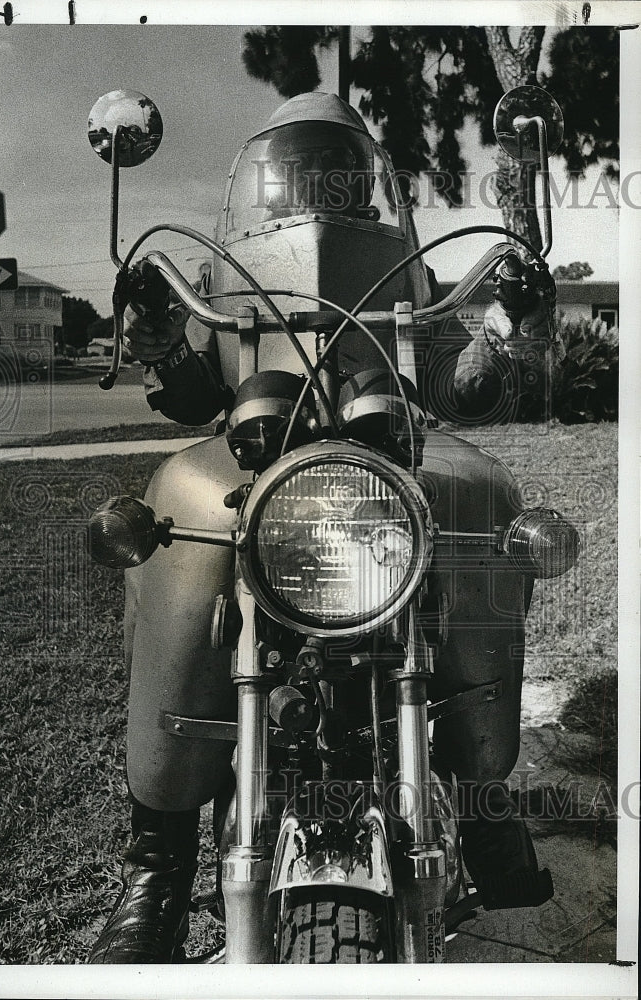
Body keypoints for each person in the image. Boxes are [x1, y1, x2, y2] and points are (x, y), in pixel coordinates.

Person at [89, 93, 559, 964]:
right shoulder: (228, 269)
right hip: (253, 455)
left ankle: (483, 795)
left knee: (479, 494)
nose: (314, 198)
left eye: (337, 178)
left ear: (372, 189)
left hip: (394, 453)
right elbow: (201, 399)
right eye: (294, 176)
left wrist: (497, 328)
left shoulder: (402, 264)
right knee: (181, 499)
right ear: (256, 186)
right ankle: (156, 862)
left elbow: (455, 389)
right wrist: (158, 336)